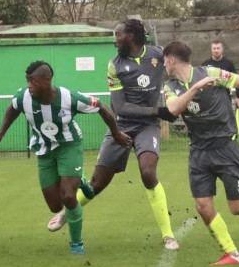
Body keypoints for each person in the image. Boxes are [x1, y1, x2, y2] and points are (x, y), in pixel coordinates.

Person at [46, 19, 179, 250]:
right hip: (122, 127)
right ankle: (68, 212)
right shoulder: (114, 65)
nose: (114, 40)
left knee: (148, 172)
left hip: (148, 127)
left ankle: (168, 236)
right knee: (96, 183)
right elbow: (121, 107)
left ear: (133, 36)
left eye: (118, 35)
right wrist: (159, 110)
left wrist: (177, 96)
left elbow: (179, 73)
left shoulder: (159, 54)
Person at [0, 61, 131, 255]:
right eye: (27, 80)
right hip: (44, 150)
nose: (29, 85)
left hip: (69, 146)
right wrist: (0, 133)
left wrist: (117, 134)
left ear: (46, 79)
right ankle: (80, 178)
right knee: (55, 206)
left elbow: (102, 107)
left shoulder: (69, 98)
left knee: (69, 197)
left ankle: (76, 244)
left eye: (32, 81)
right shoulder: (24, 97)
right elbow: (12, 108)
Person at [161, 41, 239, 266]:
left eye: (164, 61)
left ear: (171, 60)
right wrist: (196, 88)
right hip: (199, 152)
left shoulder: (211, 73)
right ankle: (232, 253)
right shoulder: (170, 86)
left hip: (225, 148)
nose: (163, 65)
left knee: (238, 209)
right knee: (202, 205)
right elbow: (173, 109)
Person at [201, 39, 239, 135]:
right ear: (211, 50)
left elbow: (237, 80)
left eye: (218, 48)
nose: (216, 50)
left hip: (225, 97)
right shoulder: (205, 64)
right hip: (210, 98)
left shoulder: (228, 63)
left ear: (222, 49)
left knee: (225, 119)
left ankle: (228, 136)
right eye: (214, 48)